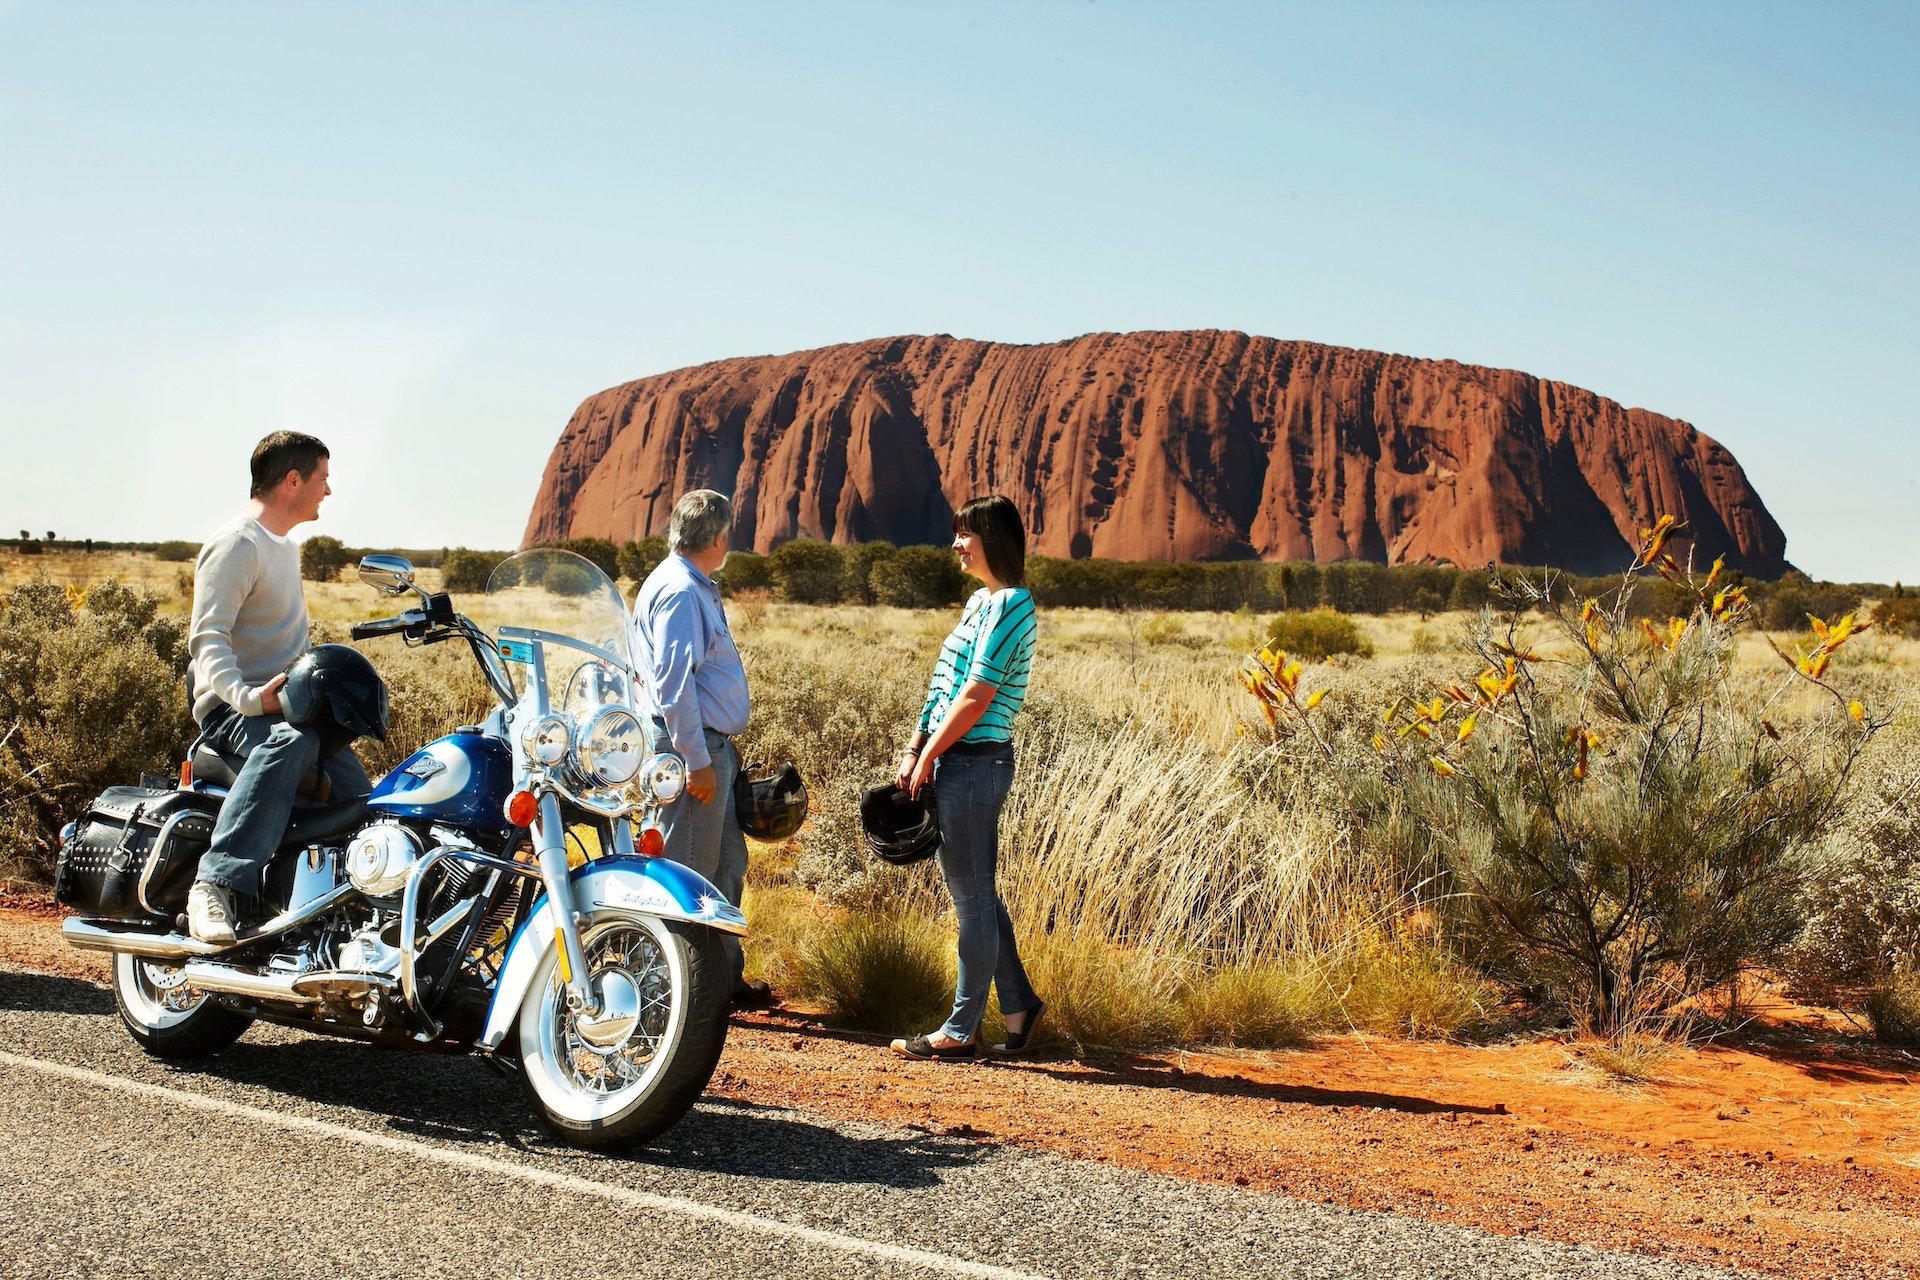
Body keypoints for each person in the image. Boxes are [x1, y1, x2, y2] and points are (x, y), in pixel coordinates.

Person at [185, 432, 372, 945]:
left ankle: (330, 912)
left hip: (290, 708)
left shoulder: (284, 548)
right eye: (323, 479)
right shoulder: (237, 544)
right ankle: (215, 884)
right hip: (234, 710)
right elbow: (208, 638)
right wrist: (248, 698)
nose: (328, 492)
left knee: (368, 800)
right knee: (293, 743)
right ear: (293, 480)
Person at [890, 495, 1044, 1060]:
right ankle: (1020, 1005)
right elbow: (944, 685)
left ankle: (961, 1029)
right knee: (978, 892)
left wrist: (931, 754)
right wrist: (916, 748)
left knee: (971, 899)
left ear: (993, 539)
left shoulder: (1011, 605)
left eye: (965, 535)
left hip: (977, 763)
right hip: (954, 758)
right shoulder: (981, 603)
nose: (955, 544)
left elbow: (978, 695)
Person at [630, 489, 767, 1007]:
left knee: (726, 862)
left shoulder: (691, 583)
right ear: (718, 537)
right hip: (694, 749)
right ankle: (668, 990)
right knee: (687, 868)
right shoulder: (682, 590)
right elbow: (672, 685)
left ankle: (721, 981)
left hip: (709, 747)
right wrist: (696, 761)